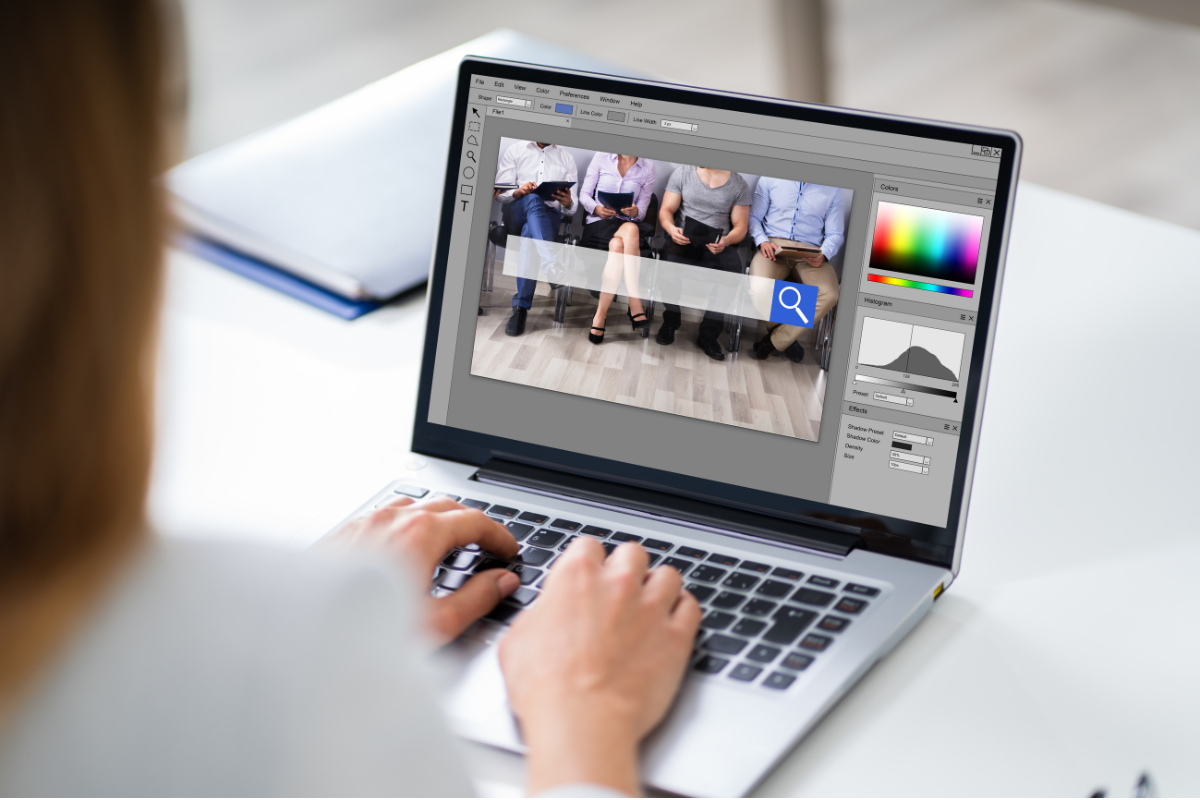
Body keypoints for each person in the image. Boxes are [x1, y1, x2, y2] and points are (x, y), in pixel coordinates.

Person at [0, 2, 700, 795]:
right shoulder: (251, 670)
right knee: (566, 227)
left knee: (598, 233)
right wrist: (586, 719)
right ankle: (604, 309)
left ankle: (589, 309)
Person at [655, 166, 752, 361]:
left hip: (717, 244)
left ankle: (709, 333)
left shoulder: (738, 184)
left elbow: (741, 226)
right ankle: (671, 321)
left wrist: (726, 241)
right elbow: (666, 210)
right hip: (683, 240)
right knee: (667, 264)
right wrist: (672, 229)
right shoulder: (683, 173)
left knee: (733, 270)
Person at [747, 178, 845, 362]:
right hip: (772, 247)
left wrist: (823, 254)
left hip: (810, 252)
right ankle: (786, 341)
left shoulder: (834, 189)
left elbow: (835, 234)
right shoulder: (770, 177)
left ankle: (773, 341)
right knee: (761, 289)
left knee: (830, 294)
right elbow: (753, 218)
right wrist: (762, 240)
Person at [493, 140, 578, 337]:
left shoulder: (566, 158)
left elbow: (572, 207)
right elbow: (500, 193)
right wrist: (519, 191)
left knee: (530, 233)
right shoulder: (515, 150)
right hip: (517, 210)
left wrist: (569, 202)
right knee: (532, 199)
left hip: (549, 216)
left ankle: (520, 308)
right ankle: (552, 267)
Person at [578, 153, 657, 344]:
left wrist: (636, 211)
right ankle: (634, 303)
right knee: (629, 231)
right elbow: (584, 195)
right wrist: (597, 209)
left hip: (624, 228)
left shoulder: (648, 166)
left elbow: (642, 211)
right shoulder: (601, 157)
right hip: (599, 225)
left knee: (618, 243)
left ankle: (600, 317)